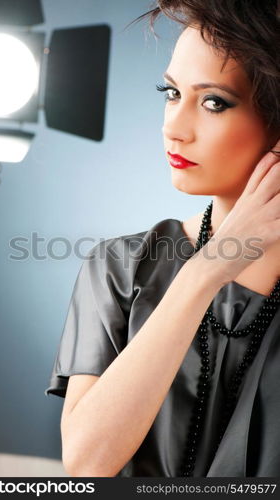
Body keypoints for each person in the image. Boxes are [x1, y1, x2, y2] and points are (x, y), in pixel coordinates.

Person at [45, 0, 280, 477]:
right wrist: (205, 272)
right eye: (171, 92)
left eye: (214, 101)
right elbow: (88, 466)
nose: (173, 127)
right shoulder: (122, 265)